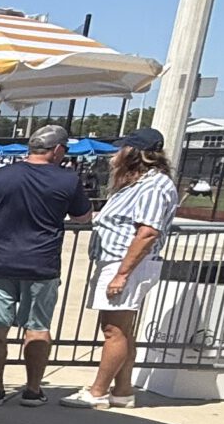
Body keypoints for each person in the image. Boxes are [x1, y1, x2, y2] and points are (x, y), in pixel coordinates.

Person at [0, 122, 93, 402]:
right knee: (38, 328)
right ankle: (32, 388)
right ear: (56, 150)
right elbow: (83, 217)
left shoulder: (1, 175)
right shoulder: (68, 180)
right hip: (41, 264)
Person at [65, 128, 179, 409]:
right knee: (122, 330)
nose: (114, 155)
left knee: (113, 330)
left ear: (136, 153)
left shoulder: (154, 185)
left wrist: (122, 274)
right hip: (117, 260)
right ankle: (123, 390)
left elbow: (147, 232)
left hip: (126, 263)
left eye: (121, 150)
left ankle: (98, 391)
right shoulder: (135, 183)